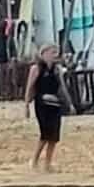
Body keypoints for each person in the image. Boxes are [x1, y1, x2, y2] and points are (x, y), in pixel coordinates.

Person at [24, 44, 71, 172]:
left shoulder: (57, 69)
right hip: (42, 104)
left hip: (55, 104)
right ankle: (34, 160)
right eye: (52, 52)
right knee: (45, 134)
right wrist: (26, 105)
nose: (55, 55)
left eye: (56, 52)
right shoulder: (36, 68)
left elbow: (62, 87)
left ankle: (48, 163)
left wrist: (69, 103)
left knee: (54, 136)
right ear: (43, 54)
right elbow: (29, 87)